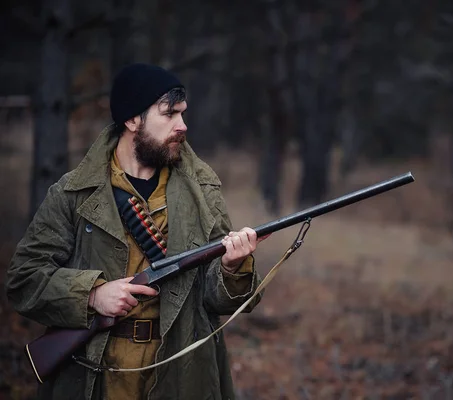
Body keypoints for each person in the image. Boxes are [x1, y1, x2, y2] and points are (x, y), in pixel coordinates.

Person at [6, 63, 265, 400]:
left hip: (181, 369)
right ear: (132, 120)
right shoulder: (73, 192)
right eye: (169, 114)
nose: (182, 126)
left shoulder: (202, 190)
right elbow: (24, 279)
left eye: (183, 114)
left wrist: (232, 268)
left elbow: (214, 299)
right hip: (99, 372)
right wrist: (92, 295)